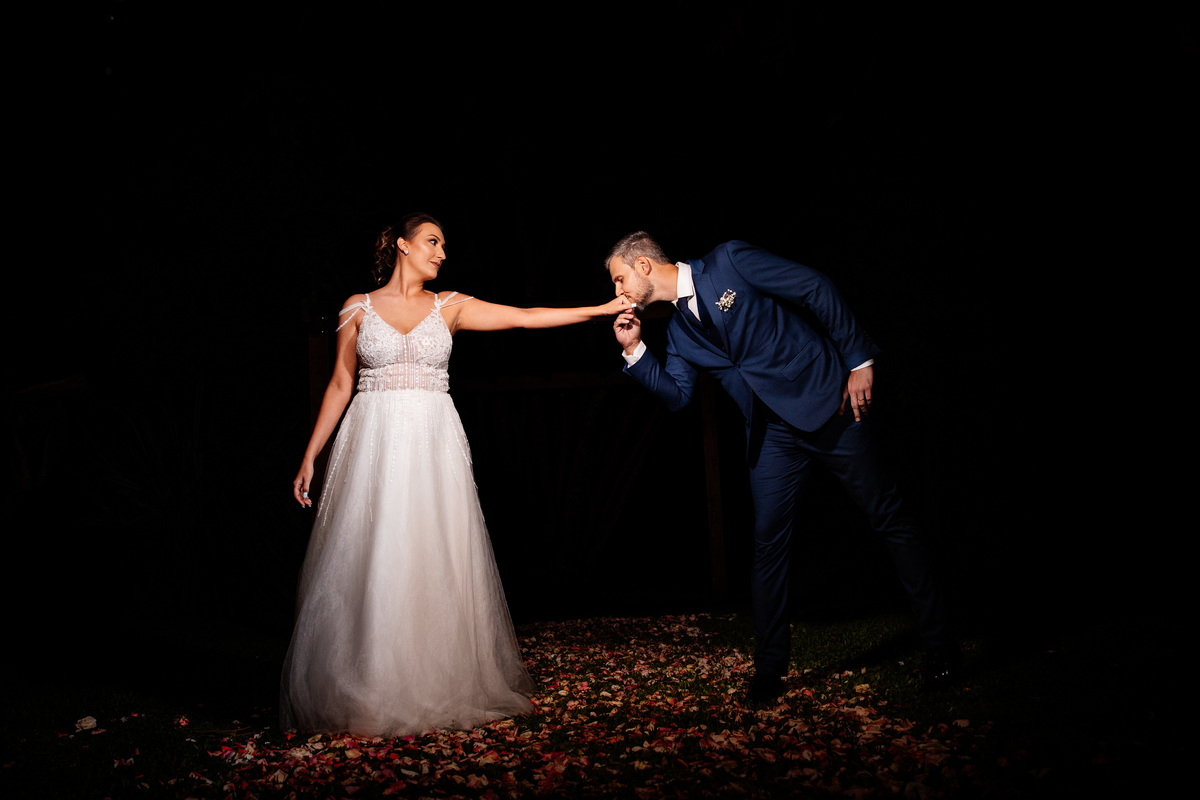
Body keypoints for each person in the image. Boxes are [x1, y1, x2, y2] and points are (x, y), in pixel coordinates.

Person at [281, 213, 627, 737]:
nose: (442, 253)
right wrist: (311, 455)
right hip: (371, 442)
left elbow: (526, 317)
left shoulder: (452, 306)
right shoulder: (356, 307)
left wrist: (600, 312)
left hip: (431, 442)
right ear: (402, 245)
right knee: (373, 557)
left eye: (444, 245)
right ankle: (367, 687)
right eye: (432, 242)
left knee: (427, 554)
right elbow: (339, 383)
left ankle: (429, 683)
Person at [607, 232, 959, 702]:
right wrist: (635, 350)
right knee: (767, 546)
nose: (618, 293)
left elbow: (813, 286)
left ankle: (940, 646)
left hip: (830, 405)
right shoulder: (677, 333)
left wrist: (858, 359)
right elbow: (678, 395)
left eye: (619, 279)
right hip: (771, 435)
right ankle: (769, 671)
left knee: (888, 517)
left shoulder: (728, 262)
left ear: (644, 265)